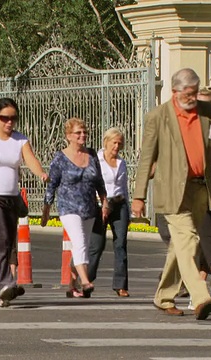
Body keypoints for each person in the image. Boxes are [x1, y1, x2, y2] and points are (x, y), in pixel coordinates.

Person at [131, 68, 211, 320]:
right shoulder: (157, 117)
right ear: (175, 92)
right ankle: (201, 296)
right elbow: (147, 158)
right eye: (188, 94)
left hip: (200, 188)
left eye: (195, 93)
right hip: (171, 190)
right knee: (188, 240)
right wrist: (139, 195)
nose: (192, 98)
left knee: (179, 247)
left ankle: (163, 296)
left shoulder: (209, 113)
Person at [0, 98, 48, 307]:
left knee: (5, 243)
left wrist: (41, 173)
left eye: (13, 118)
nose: (9, 122)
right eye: (4, 118)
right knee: (0, 240)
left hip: (11, 199)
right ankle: (5, 283)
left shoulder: (20, 140)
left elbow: (30, 159)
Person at [43, 118, 107, 298]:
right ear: (68, 136)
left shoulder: (92, 155)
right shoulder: (60, 158)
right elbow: (52, 184)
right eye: (78, 133)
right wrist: (47, 207)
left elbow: (99, 181)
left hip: (89, 207)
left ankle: (71, 285)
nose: (82, 135)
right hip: (68, 207)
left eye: (84, 132)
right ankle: (85, 281)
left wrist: (104, 201)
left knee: (83, 247)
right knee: (79, 243)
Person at [87, 127, 130, 297]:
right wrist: (101, 203)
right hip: (100, 205)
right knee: (96, 245)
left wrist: (129, 208)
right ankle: (87, 280)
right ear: (106, 142)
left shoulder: (122, 163)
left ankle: (121, 285)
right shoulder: (96, 161)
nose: (117, 146)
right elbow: (92, 185)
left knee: (121, 244)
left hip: (119, 204)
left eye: (120, 143)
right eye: (114, 142)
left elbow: (124, 187)